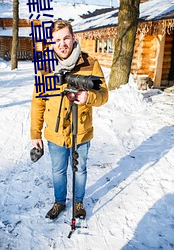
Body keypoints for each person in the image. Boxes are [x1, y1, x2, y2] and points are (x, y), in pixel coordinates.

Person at [30, 20, 108, 220]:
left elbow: (104, 95)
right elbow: (38, 102)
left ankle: (79, 202)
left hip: (81, 130)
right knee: (58, 170)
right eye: (57, 40)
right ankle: (59, 202)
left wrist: (88, 97)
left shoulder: (90, 63)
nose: (62, 44)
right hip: (55, 133)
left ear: (73, 38)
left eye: (66, 38)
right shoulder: (46, 68)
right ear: (52, 42)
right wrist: (35, 134)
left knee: (80, 168)